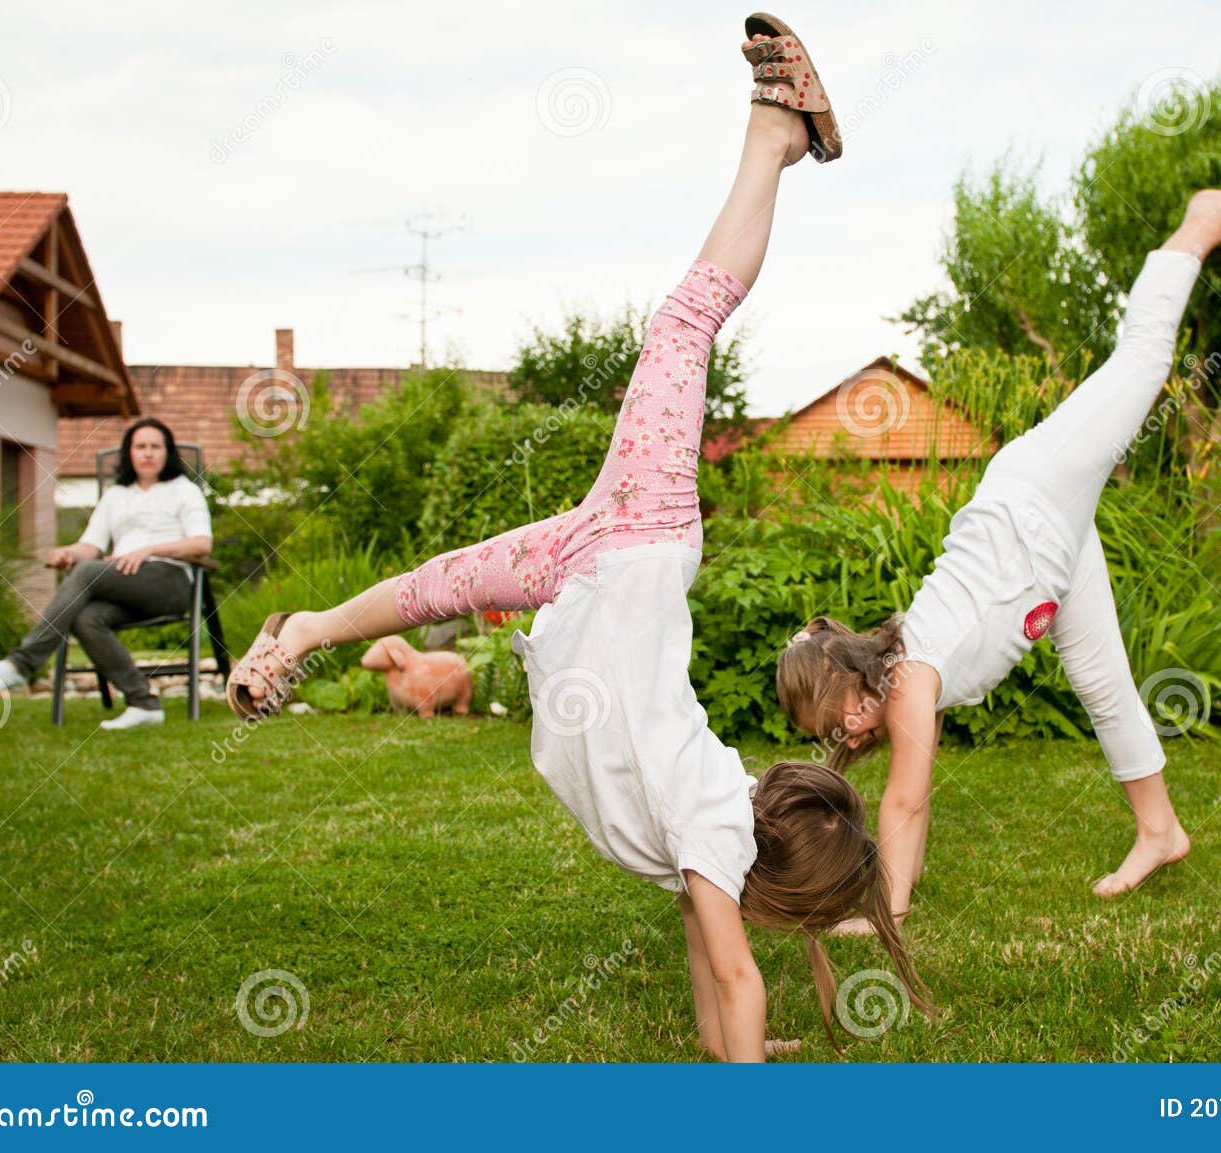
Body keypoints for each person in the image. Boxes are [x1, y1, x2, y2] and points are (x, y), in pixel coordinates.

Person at [223, 17, 928, 1060]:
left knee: (430, 590)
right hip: (634, 545)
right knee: (680, 325)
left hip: (588, 574)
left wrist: (735, 1051)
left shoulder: (707, 854)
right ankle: (778, 133)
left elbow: (712, 961)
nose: (750, 929)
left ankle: (294, 639)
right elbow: (738, 973)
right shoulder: (710, 827)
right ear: (767, 879)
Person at [775, 189, 1221, 930]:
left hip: (1033, 497)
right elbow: (909, 814)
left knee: (1143, 364)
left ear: (850, 673)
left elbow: (906, 798)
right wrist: (897, 881)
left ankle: (1200, 222)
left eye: (842, 713)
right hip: (1047, 561)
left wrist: (886, 909)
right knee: (1101, 679)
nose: (850, 732)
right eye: (834, 732)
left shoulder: (909, 678)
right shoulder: (901, 681)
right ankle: (1160, 830)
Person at [0, 417, 213, 731]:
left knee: (86, 574)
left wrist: (149, 549)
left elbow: (202, 543)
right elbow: (92, 545)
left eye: (156, 446)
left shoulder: (184, 491)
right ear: (130, 453)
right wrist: (69, 553)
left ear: (167, 453)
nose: (148, 453)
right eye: (141, 447)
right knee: (86, 618)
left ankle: (21, 663)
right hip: (124, 582)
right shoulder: (116, 495)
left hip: (169, 582)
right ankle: (144, 703)